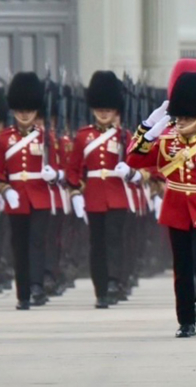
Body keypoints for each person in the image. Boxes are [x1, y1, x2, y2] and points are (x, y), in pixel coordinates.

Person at [126, 60, 196, 338]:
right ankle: (186, 320)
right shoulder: (166, 139)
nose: (182, 121)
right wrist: (147, 131)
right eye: (180, 117)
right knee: (182, 266)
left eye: (187, 117)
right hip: (176, 208)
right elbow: (133, 159)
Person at [67, 71, 139, 308]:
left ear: (116, 110)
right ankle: (101, 288)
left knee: (115, 241)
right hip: (94, 196)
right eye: (100, 108)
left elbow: (138, 165)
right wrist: (75, 191)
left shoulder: (125, 136)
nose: (104, 112)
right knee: (97, 244)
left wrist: (129, 171)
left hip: (118, 195)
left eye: (108, 109)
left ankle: (115, 281)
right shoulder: (83, 136)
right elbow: (73, 169)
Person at [0, 72, 59, 309]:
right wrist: (5, 189)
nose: (24, 114)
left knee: (37, 242)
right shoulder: (4, 139)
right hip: (16, 197)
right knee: (19, 246)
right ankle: (22, 293)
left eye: (29, 110)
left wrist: (54, 175)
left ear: (36, 111)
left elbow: (58, 168)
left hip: (40, 196)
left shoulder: (46, 138)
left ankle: (37, 286)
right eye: (20, 110)